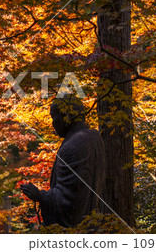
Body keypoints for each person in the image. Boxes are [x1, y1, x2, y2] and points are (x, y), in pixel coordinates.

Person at [21, 95, 105, 227]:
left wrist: (40, 196)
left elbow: (70, 201)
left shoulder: (73, 145)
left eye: (54, 116)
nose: (53, 122)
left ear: (66, 117)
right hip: (93, 221)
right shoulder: (94, 137)